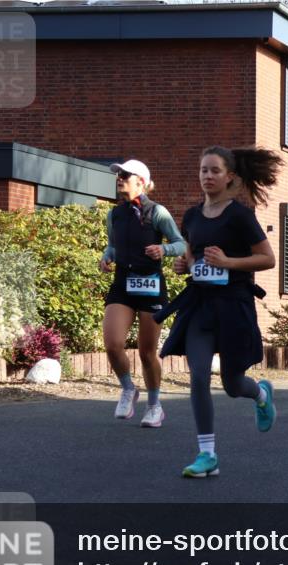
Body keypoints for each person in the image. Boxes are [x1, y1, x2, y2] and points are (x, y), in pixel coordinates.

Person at [155, 145, 282, 478]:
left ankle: (261, 394)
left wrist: (229, 263)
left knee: (231, 383)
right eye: (203, 170)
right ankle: (207, 454)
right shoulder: (193, 216)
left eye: (214, 171)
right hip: (199, 306)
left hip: (233, 306)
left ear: (230, 178)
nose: (207, 176)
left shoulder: (240, 215)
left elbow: (268, 259)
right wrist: (186, 265)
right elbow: (194, 256)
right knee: (197, 376)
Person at [99, 159, 186, 427]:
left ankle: (155, 406)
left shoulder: (158, 213)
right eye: (118, 174)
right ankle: (128, 388)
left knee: (147, 352)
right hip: (123, 284)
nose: (120, 178)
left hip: (150, 286)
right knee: (113, 344)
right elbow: (113, 246)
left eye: (126, 174)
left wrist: (163, 250)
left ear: (142, 182)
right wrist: (106, 257)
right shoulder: (114, 215)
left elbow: (180, 243)